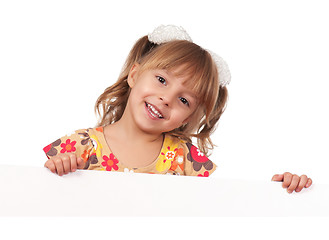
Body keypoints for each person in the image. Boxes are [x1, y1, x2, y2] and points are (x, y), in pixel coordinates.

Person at [43, 25, 312, 193]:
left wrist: (280, 191)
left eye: (184, 100)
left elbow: (226, 202)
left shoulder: (184, 158)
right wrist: (59, 169)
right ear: (135, 75)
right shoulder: (80, 146)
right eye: (161, 80)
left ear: (190, 117)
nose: (166, 99)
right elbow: (38, 190)